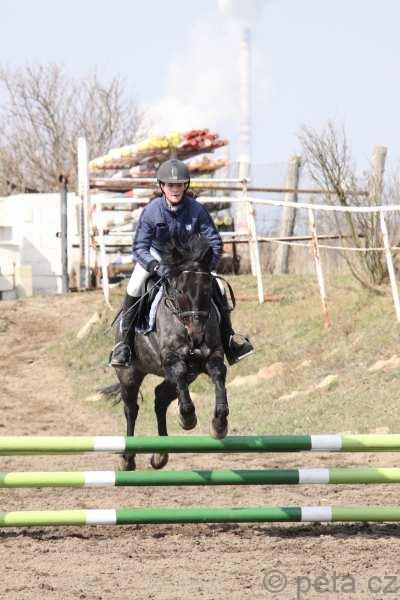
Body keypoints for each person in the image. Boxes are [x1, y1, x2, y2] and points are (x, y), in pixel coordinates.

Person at [110, 158, 254, 367]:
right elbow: (140, 246)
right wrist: (154, 266)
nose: (175, 189)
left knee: (219, 286)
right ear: (162, 186)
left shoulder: (197, 210)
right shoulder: (152, 211)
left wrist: (205, 267)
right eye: (170, 185)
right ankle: (124, 345)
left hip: (189, 261)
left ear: (185, 186)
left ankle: (229, 340)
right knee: (134, 285)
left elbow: (214, 241)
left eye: (179, 185)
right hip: (158, 257)